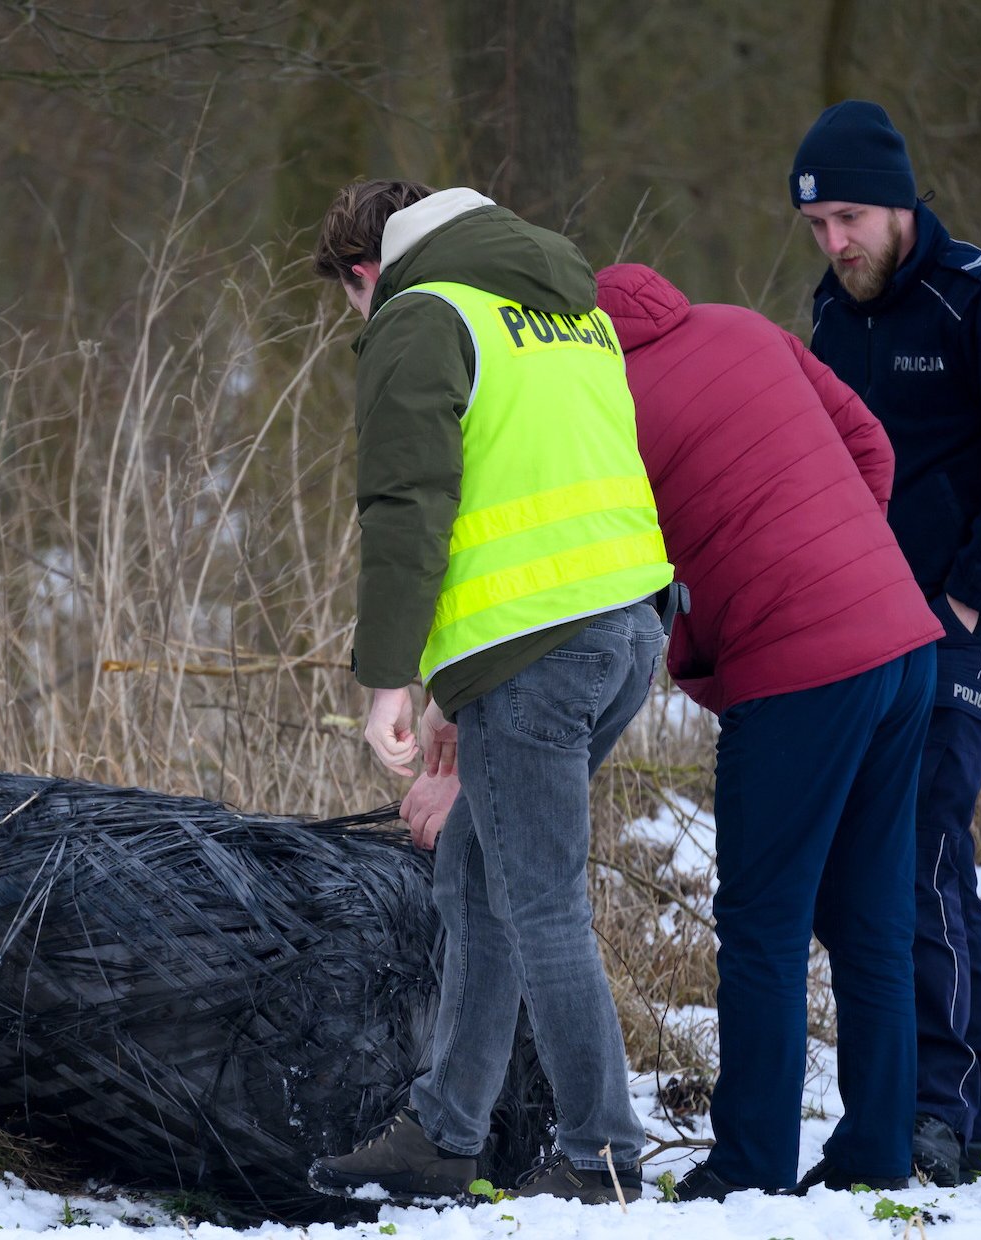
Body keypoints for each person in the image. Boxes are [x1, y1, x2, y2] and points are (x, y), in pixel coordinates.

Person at [302, 179, 675, 1206]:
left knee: (536, 897)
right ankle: (443, 1129)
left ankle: (602, 1151)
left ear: (363, 273)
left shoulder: (423, 313)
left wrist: (387, 673)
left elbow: (406, 505)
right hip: (626, 626)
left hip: (536, 651)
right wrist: (451, 690)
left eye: (348, 301)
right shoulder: (565, 307)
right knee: (473, 875)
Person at [591, 262, 943, 1198]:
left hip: (800, 672)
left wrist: (729, 634)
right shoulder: (745, 326)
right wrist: (844, 560)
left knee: (763, 924)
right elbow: (873, 446)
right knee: (871, 920)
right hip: (904, 644)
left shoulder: (603, 404)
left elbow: (628, 585)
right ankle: (875, 1155)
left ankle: (748, 1167)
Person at [789, 100, 981, 1185]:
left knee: (915, 835)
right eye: (816, 228)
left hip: (967, 623)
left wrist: (967, 594)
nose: (834, 245)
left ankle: (957, 1114)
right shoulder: (832, 312)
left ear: (900, 198)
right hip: (859, 623)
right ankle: (925, 1105)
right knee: (862, 850)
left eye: (850, 220)